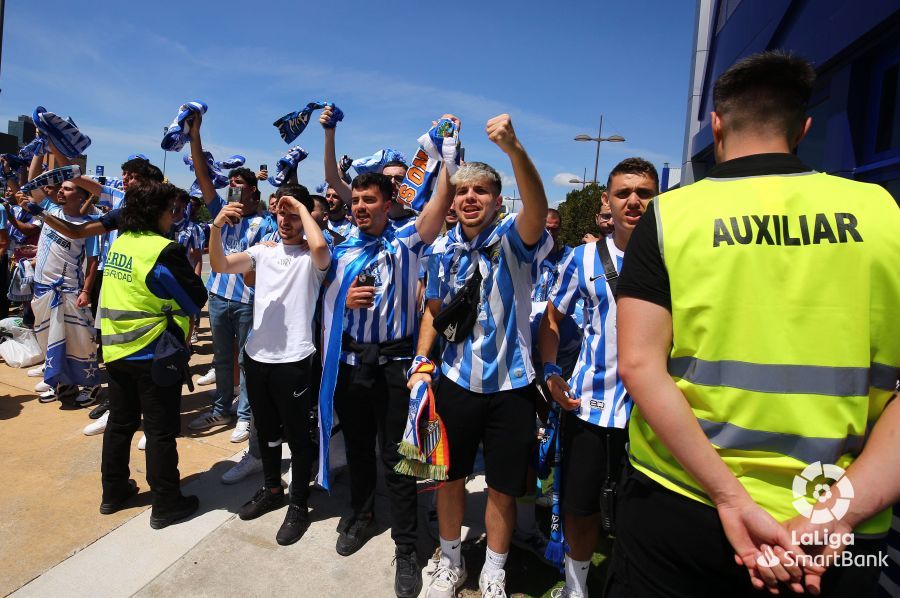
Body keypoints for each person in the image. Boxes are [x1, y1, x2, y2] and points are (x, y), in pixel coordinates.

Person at [610, 51, 900, 597]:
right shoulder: (884, 214)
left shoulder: (673, 217)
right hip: (838, 523)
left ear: (716, 123)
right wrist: (836, 514)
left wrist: (730, 497)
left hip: (684, 502)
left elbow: (639, 364)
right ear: (803, 126)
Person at [410, 114, 551, 598]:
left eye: (481, 192)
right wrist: (421, 361)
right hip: (454, 381)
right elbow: (433, 311)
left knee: (502, 488)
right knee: (448, 480)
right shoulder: (441, 249)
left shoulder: (514, 241)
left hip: (511, 388)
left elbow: (538, 205)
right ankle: (451, 563)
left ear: (496, 200)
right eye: (462, 192)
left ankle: (494, 568)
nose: (470, 198)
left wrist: (514, 150)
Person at [318, 115, 455, 598]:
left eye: (368, 199)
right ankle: (359, 514)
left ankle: (406, 546)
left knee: (397, 459)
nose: (358, 206)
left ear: (387, 203)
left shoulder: (408, 241)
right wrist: (341, 301)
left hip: (395, 366)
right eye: (354, 200)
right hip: (353, 365)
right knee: (356, 450)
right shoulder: (339, 246)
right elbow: (320, 295)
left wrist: (446, 155)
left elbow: (439, 203)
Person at [538, 158, 658, 598]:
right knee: (580, 507)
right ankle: (576, 587)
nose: (634, 201)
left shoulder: (676, 253)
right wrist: (551, 371)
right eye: (624, 193)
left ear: (655, 198)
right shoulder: (582, 257)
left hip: (652, 412)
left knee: (642, 514)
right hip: (589, 405)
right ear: (606, 200)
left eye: (643, 193)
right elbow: (552, 317)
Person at [208, 184, 330, 545]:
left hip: (295, 358)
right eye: (281, 213)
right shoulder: (262, 251)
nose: (286, 221)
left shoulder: (313, 257)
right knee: (266, 429)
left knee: (297, 433)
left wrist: (302, 210)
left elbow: (321, 247)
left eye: (294, 216)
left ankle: (298, 504)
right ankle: (272, 488)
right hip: (257, 356)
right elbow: (219, 264)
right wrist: (215, 228)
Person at [97, 181, 208, 530]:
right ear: (158, 212)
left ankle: (113, 492)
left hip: (116, 348)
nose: (173, 215)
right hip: (153, 352)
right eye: (170, 209)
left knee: (120, 423)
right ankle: (166, 503)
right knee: (160, 431)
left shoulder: (121, 242)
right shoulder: (163, 249)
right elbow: (194, 298)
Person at [184, 112, 274, 446]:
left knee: (246, 360)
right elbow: (201, 172)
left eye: (239, 187)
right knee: (221, 358)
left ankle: (246, 417)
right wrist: (195, 135)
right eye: (230, 185)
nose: (233, 191)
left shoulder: (265, 223)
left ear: (252, 191)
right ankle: (222, 408)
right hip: (218, 296)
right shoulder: (220, 209)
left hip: (248, 301)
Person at [31, 179, 102, 406]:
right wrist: (42, 148)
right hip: (42, 288)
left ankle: (91, 385)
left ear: (82, 196)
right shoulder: (50, 211)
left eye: (68, 188)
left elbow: (93, 262)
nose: (61, 191)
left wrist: (86, 291)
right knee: (48, 337)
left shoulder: (89, 225)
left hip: (69, 289)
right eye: (61, 187)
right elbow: (32, 185)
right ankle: (63, 383)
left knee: (80, 340)